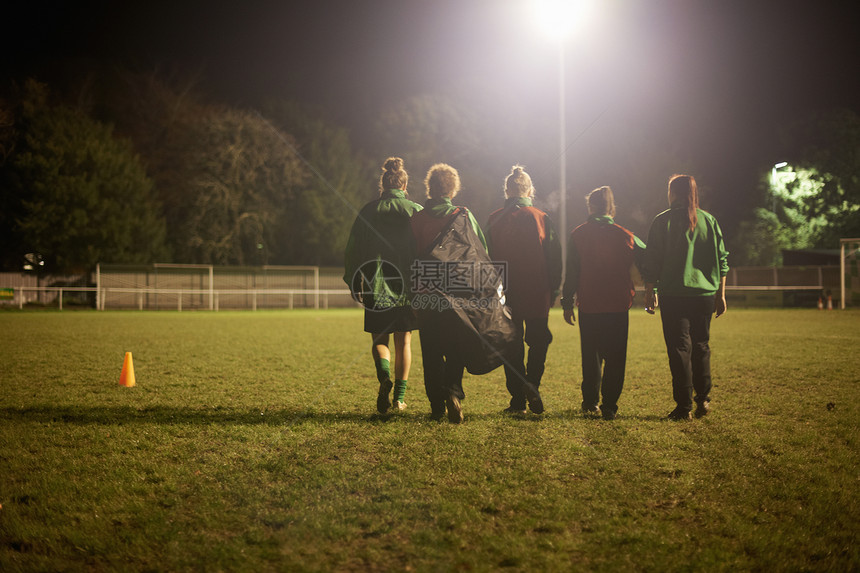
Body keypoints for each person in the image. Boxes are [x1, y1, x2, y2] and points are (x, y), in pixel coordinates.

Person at [643, 174, 729, 420]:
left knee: (680, 349)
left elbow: (653, 261)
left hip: (674, 294)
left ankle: (683, 407)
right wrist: (721, 295)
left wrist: (650, 292)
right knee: (701, 345)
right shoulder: (709, 221)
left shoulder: (662, 222)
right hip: (703, 295)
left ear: (672, 193)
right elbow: (722, 260)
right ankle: (703, 399)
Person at [344, 157, 423, 414]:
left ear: (383, 183)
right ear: (404, 184)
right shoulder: (416, 211)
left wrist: (354, 279)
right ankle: (399, 398)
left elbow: (353, 249)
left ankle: (384, 378)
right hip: (408, 289)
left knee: (380, 340)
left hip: (376, 286)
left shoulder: (368, 211)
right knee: (405, 343)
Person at [561, 186, 646, 421]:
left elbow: (573, 272)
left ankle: (590, 402)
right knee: (616, 357)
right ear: (612, 208)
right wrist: (652, 287)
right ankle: (609, 405)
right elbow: (648, 258)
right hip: (618, 303)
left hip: (589, 303)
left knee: (591, 356)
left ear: (590, 206)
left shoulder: (578, 234)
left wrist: (567, 302)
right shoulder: (626, 235)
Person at [410, 163, 487, 423]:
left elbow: (408, 257)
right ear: (453, 189)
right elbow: (481, 251)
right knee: (456, 345)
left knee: (430, 349)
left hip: (426, 292)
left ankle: (436, 405)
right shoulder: (463, 215)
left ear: (430, 188)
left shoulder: (417, 219)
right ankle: (453, 391)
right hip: (458, 293)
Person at [485, 165, 560, 415]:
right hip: (538, 291)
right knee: (539, 341)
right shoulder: (542, 218)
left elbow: (485, 258)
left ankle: (517, 399)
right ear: (529, 190)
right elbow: (554, 257)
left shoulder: (494, 219)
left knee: (512, 345)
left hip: (505, 294)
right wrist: (555, 288)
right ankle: (533, 384)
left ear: (507, 191)